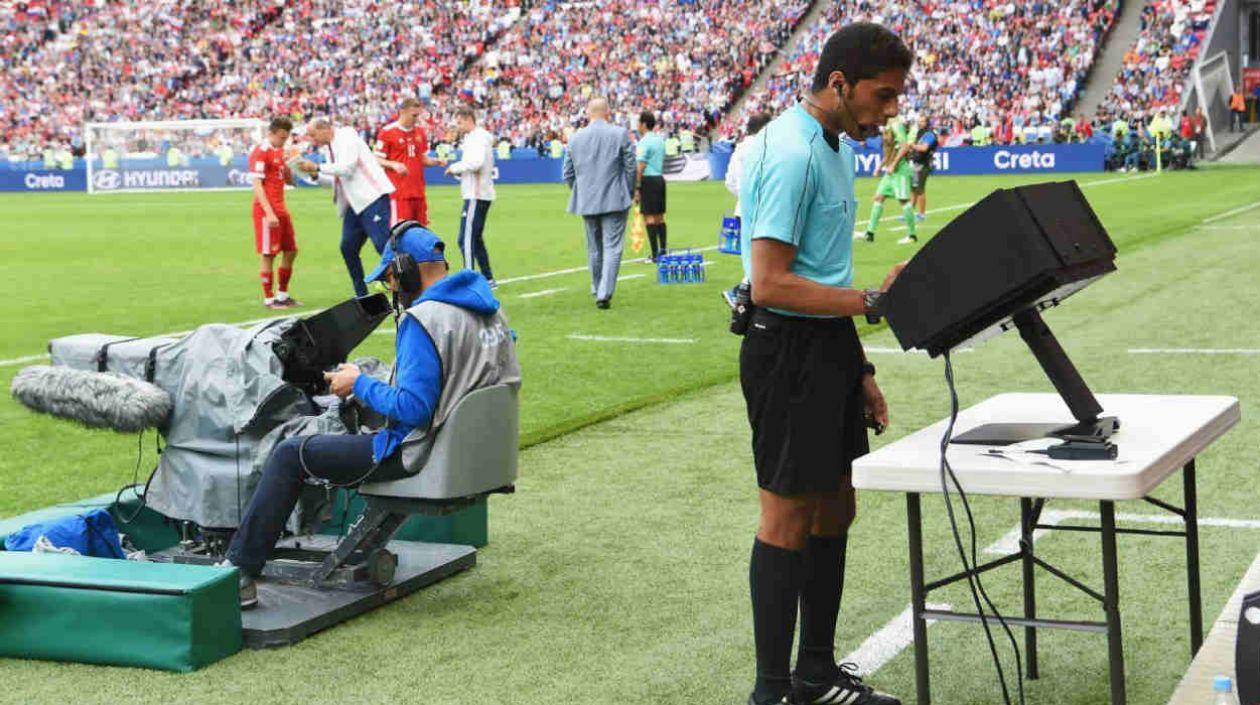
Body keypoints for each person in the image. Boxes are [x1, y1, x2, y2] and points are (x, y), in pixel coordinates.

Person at [737, 22, 911, 705]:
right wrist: (870, 301)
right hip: (785, 348)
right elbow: (771, 282)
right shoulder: (789, 152)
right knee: (786, 516)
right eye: (883, 94)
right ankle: (771, 690)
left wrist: (859, 364)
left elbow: (824, 269)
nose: (892, 110)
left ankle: (814, 675)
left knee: (837, 507)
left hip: (829, 346)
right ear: (839, 83)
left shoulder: (837, 145)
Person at [222, 223, 521, 608]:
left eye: (390, 279)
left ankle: (239, 572)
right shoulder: (490, 310)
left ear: (405, 270)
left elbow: (415, 408)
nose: (391, 288)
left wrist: (359, 384)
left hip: (416, 452)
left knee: (288, 454)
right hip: (475, 454)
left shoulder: (423, 320)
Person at [296, 118, 398, 298]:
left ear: (325, 129)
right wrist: (314, 175)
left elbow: (347, 169)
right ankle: (361, 294)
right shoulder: (330, 149)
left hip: (372, 197)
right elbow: (337, 180)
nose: (313, 140)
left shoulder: (347, 137)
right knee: (348, 247)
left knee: (382, 244)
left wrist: (318, 167)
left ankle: (406, 285)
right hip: (356, 204)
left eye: (313, 135)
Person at [563, 97, 637, 310]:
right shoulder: (619, 133)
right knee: (612, 247)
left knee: (594, 248)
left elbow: (567, 173)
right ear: (608, 113)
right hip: (615, 198)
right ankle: (604, 293)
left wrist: (580, 191)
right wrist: (629, 191)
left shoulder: (575, 138)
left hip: (587, 199)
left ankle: (597, 287)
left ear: (588, 114)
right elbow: (630, 167)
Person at [249, 118, 301, 309]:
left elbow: (286, 179)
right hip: (266, 211)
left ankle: (283, 294)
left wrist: (290, 171)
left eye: (286, 138)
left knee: (291, 250)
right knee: (268, 254)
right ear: (272, 133)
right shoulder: (260, 152)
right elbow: (257, 185)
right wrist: (269, 213)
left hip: (281, 209)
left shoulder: (279, 151)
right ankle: (269, 299)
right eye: (281, 137)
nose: (284, 141)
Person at [445, 108, 498, 286]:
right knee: (475, 237)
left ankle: (469, 278)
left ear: (468, 119)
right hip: (479, 193)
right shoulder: (475, 138)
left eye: (459, 122)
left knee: (465, 238)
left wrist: (455, 167)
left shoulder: (478, 137)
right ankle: (488, 277)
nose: (458, 127)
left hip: (476, 194)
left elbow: (476, 163)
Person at [376, 98, 446, 227]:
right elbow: (377, 159)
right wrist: (393, 164)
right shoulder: (387, 132)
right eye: (414, 115)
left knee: (421, 233)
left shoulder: (420, 132)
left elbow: (422, 159)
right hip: (399, 194)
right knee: (401, 233)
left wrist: (436, 162)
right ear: (402, 112)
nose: (416, 119)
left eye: (418, 115)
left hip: (418, 192)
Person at [858, 114, 915, 244]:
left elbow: (905, 147)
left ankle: (912, 235)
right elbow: (890, 152)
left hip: (900, 170)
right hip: (890, 171)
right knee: (878, 197)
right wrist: (880, 166)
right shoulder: (887, 127)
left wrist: (893, 165)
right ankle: (870, 233)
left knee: (904, 201)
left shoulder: (896, 125)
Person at [726, 113, 773, 218]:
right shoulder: (768, 148)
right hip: (766, 211)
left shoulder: (739, 150)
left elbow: (730, 182)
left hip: (742, 210)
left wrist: (743, 194)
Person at [635, 111, 668, 261]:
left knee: (649, 218)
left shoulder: (644, 142)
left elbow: (640, 166)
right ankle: (663, 251)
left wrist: (637, 188)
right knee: (660, 217)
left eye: (638, 123)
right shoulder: (659, 140)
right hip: (659, 179)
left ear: (643, 124)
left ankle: (655, 255)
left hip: (648, 180)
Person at [907, 113, 937, 237]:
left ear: (927, 123)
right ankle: (909, 212)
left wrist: (911, 146)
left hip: (924, 164)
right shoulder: (920, 133)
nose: (920, 123)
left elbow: (924, 148)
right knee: (913, 189)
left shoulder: (929, 134)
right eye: (919, 121)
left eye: (923, 121)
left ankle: (921, 214)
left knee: (920, 189)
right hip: (916, 163)